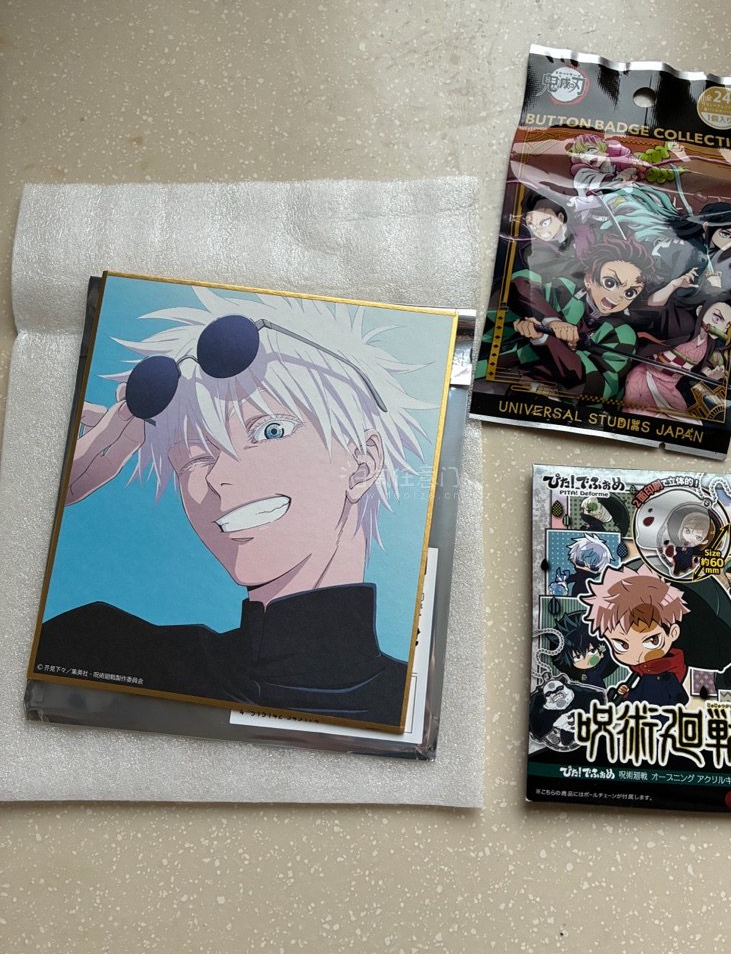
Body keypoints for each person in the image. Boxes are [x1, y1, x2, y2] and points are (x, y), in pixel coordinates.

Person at [36, 286, 433, 726]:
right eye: (194, 458)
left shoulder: (414, 704)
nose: (217, 477)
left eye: (270, 431)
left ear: (362, 465)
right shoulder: (98, 649)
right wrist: (45, 499)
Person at [580, 563, 691, 706]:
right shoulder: (644, 671)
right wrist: (626, 694)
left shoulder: (666, 673)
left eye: (652, 640)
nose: (638, 654)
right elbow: (639, 696)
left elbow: (681, 699)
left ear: (673, 633)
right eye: (621, 645)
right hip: (640, 716)